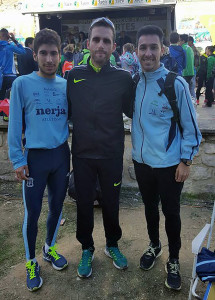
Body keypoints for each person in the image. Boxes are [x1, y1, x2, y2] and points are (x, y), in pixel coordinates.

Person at [132, 25, 201, 291]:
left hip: (170, 165)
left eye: (153, 47)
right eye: (143, 47)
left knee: (171, 212)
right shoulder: (135, 83)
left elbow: (191, 127)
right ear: (136, 51)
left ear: (163, 49)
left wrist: (186, 161)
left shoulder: (176, 83)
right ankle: (154, 245)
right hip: (142, 163)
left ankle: (173, 259)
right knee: (150, 209)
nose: (148, 53)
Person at [67, 17, 134, 278]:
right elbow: (64, 114)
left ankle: (112, 245)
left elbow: (135, 112)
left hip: (111, 154)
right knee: (84, 203)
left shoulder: (124, 78)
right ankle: (86, 248)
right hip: (82, 155)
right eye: (96, 39)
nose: (101, 45)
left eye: (106, 41)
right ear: (88, 43)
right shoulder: (73, 76)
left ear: (114, 46)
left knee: (111, 203)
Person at [8, 28, 70, 292]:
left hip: (61, 155)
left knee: (57, 207)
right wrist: (17, 159)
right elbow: (14, 125)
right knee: (32, 213)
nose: (49, 59)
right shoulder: (22, 84)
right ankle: (31, 261)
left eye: (53, 53)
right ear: (35, 55)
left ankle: (49, 248)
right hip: (35, 159)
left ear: (60, 56)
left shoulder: (66, 85)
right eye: (43, 53)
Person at [0, 28, 25, 99]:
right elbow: (23, 51)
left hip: (0, 76)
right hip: (10, 76)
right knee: (12, 99)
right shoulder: (10, 47)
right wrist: (14, 40)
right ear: (8, 37)